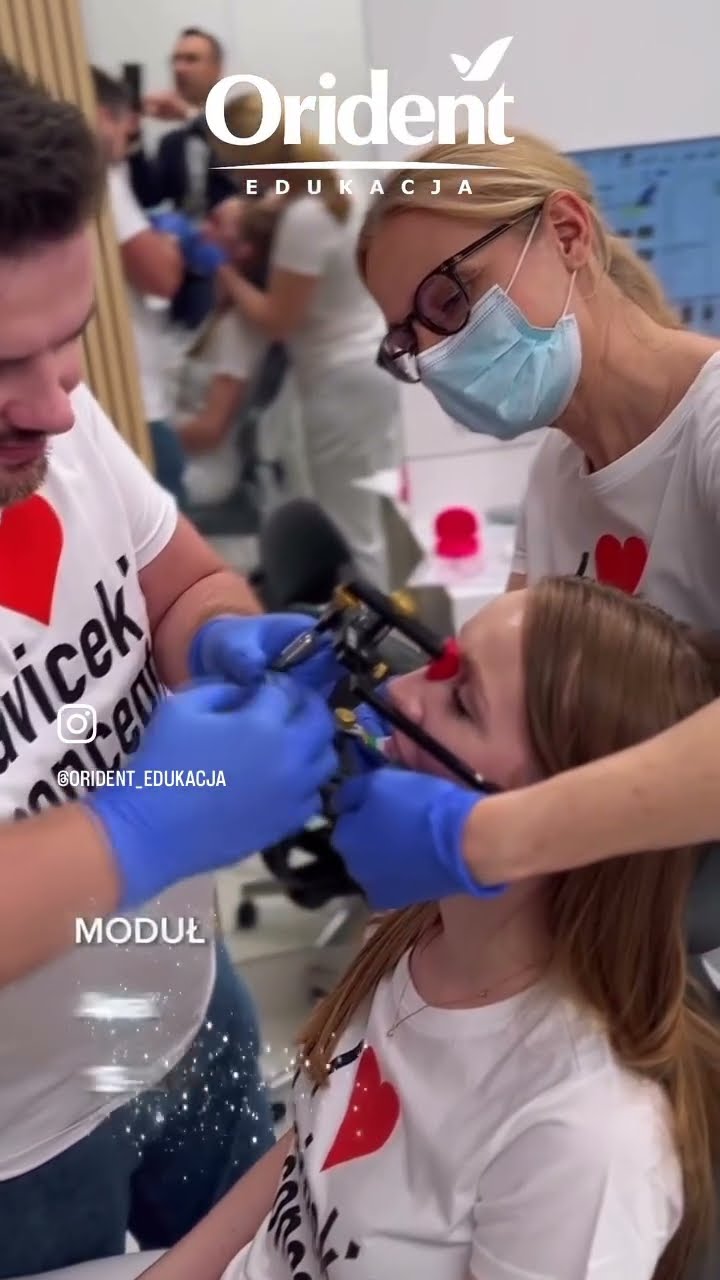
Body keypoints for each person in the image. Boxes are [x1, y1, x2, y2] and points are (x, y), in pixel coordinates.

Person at [134, 576, 720, 1280]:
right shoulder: (415, 935)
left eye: (462, 702)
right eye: (443, 661)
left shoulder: (585, 1139)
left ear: (561, 810)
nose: (403, 694)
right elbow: (310, 1155)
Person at [0, 58, 338, 1276]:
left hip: (186, 1010)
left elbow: (183, 576)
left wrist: (218, 639)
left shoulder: (57, 414)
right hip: (22, 1146)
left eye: (70, 344)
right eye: (2, 370)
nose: (55, 408)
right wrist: (140, 825)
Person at [264, 129, 720, 908]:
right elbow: (512, 701)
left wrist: (496, 837)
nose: (435, 354)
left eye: (450, 299)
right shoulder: (559, 473)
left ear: (568, 234)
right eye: (409, 339)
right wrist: (380, 717)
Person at [209, 92, 401, 587]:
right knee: (364, 516)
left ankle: (376, 631)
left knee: (350, 530)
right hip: (369, 367)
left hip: (339, 382)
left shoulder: (307, 215)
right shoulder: (338, 182)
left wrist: (224, 274)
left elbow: (278, 319)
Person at [92, 66, 188, 507]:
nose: (131, 133)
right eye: (124, 122)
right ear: (101, 115)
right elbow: (161, 277)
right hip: (132, 403)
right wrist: (169, 245)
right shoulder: (102, 179)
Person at [175, 200, 283, 507]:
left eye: (215, 222)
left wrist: (145, 434)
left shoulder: (238, 331)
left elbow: (211, 430)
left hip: (202, 470)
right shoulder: (219, 311)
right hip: (184, 454)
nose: (200, 229)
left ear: (244, 250)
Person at [128, 28, 236, 217]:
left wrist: (189, 114)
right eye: (175, 60)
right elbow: (148, 197)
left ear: (217, 69)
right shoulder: (172, 143)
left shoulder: (242, 127)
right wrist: (132, 133)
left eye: (191, 59)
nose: (179, 69)